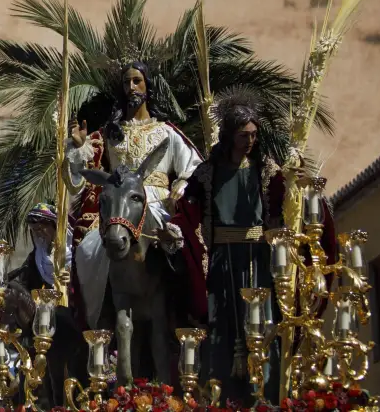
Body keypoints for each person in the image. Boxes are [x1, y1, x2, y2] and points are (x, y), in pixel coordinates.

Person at [169, 88, 338, 406]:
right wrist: (174, 225)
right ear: (230, 135)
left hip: (259, 261)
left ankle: (269, 397)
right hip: (223, 263)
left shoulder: (266, 170)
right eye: (244, 135)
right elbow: (188, 208)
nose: (250, 140)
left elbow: (290, 201)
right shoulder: (208, 173)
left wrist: (297, 180)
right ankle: (224, 398)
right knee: (224, 328)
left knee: (263, 326)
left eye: (254, 134)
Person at [61, 61, 204, 329]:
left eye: (137, 81)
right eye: (126, 82)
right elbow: (81, 179)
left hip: (158, 203)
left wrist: (181, 184)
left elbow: (194, 168)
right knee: (88, 250)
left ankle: (183, 309)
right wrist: (79, 148)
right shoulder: (108, 134)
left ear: (148, 86)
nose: (131, 87)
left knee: (178, 246)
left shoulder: (166, 132)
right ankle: (100, 320)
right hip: (119, 206)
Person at [2, 203, 87, 408]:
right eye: (34, 229)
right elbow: (24, 279)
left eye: (42, 227)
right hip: (44, 319)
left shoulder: (75, 252)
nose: (38, 233)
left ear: (55, 227)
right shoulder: (36, 257)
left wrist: (73, 278)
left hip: (73, 313)